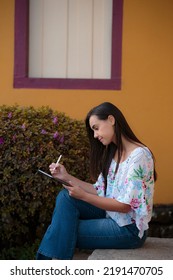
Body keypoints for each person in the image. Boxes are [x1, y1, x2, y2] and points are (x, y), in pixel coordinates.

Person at [36, 102, 156, 260]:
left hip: (128, 229)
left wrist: (83, 196)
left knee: (61, 229)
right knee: (65, 197)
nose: (95, 135)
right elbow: (100, 190)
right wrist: (66, 177)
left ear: (111, 120)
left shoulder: (139, 156)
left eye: (96, 128)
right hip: (111, 216)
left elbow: (125, 206)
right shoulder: (114, 153)